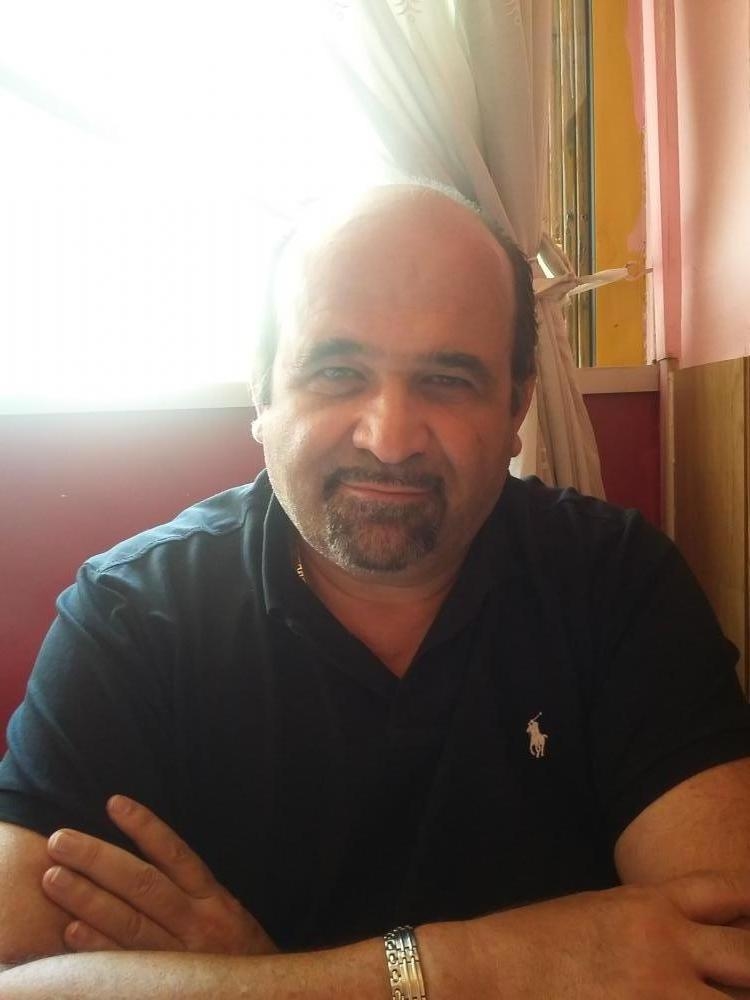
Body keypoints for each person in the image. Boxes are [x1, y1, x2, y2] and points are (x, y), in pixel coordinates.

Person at [1, 182, 750, 999]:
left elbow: (725, 956)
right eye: (337, 371)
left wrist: (255, 983)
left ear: (517, 406)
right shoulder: (133, 619)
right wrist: (475, 967)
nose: (390, 438)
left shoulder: (617, 584)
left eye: (448, 379)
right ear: (263, 393)